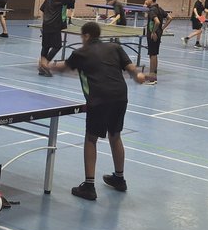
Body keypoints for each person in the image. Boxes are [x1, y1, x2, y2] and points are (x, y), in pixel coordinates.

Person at [49, 20, 148, 200]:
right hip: (120, 95)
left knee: (91, 139)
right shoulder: (114, 47)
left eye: (81, 36)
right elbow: (131, 68)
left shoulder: (81, 52)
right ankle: (119, 178)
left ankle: (88, 186)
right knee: (115, 135)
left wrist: (47, 65)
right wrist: (138, 76)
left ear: (86, 35)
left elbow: (63, 67)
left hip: (100, 98)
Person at [37, 0, 93, 76]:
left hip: (46, 24)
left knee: (45, 46)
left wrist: (45, 21)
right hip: (54, 25)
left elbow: (42, 10)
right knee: (57, 46)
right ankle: (45, 65)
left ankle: (42, 67)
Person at [143, 0, 170, 84]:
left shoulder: (152, 10)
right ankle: (154, 76)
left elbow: (157, 21)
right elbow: (170, 18)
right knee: (154, 54)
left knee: (152, 55)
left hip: (153, 35)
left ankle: (152, 78)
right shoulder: (159, 8)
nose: (145, 1)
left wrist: (154, 31)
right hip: (157, 34)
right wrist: (161, 29)